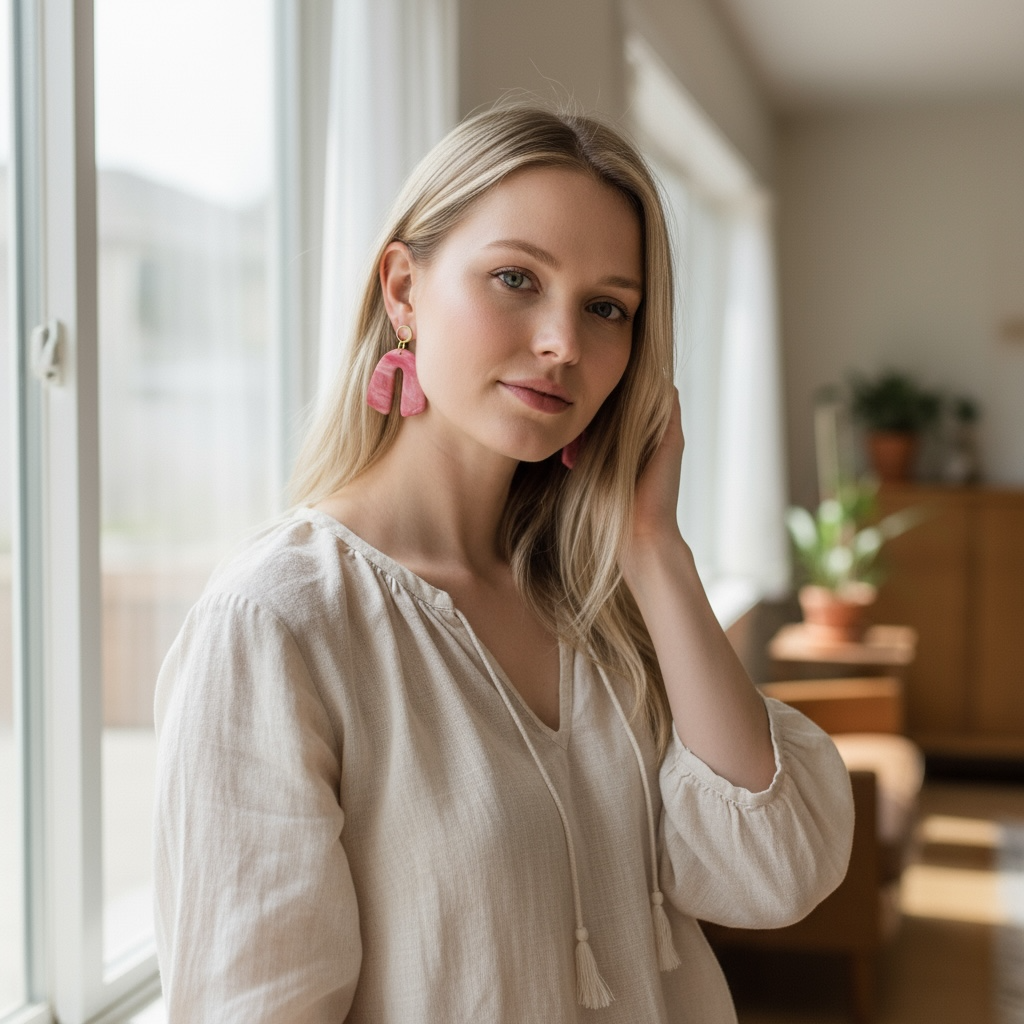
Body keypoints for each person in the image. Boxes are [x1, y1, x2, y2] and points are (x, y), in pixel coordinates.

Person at [153, 104, 854, 1023]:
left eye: (608, 308)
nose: (565, 342)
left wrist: (654, 545)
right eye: (517, 278)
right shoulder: (279, 624)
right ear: (403, 289)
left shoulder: (606, 599)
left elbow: (774, 875)